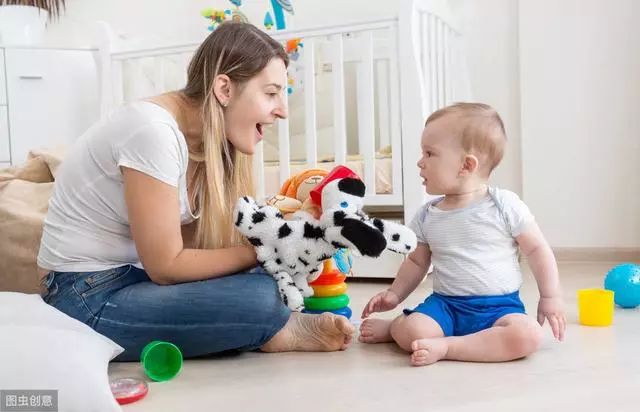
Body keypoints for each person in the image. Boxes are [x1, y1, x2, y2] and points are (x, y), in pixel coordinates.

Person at [37, 22, 354, 361]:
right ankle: (273, 330)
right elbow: (166, 266)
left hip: (135, 280)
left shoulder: (204, 144)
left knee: (271, 280)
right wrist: (266, 250)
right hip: (84, 296)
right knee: (263, 299)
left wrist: (284, 248)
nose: (283, 110)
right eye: (271, 93)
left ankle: (261, 327)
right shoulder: (152, 132)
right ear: (224, 89)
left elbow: (193, 254)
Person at [359, 103, 565, 366]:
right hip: (446, 306)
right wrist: (395, 294)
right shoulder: (427, 215)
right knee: (414, 330)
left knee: (528, 335)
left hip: (500, 308)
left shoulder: (504, 205)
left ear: (466, 165)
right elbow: (417, 262)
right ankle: (394, 328)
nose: (420, 162)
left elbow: (537, 250)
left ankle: (448, 347)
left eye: (429, 153)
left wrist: (550, 296)